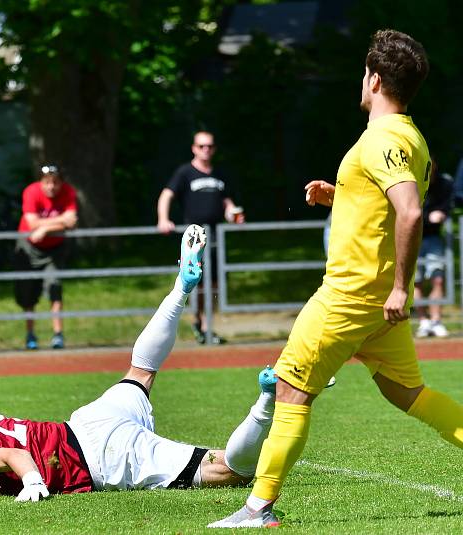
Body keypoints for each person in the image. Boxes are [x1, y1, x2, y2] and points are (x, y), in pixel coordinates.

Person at [210, 30, 463, 529]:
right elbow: (387, 206)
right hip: (375, 301)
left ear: (373, 78)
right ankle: (258, 506)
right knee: (405, 393)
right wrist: (340, 194)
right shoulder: (408, 135)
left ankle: (258, 509)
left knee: (289, 388)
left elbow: (409, 213)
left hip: (352, 294)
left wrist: (397, 288)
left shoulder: (384, 138)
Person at [0, 225, 277, 501]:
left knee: (229, 471)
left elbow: (12, 457)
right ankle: (180, 289)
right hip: (87, 421)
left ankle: (268, 398)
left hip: (98, 460)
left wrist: (34, 484)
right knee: (140, 371)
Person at [156, 130, 244, 344]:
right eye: (202, 146)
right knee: (197, 283)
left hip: (216, 238)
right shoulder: (185, 172)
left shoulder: (219, 174)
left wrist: (233, 214)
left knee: (214, 283)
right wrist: (163, 219)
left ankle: (206, 325)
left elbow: (226, 202)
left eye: (210, 146)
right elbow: (166, 194)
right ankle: (200, 323)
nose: (206, 150)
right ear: (194, 148)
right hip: (194, 239)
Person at [14, 165, 77, 350]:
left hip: (54, 249)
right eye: (47, 182)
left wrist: (45, 228)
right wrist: (60, 222)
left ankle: (58, 335)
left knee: (54, 287)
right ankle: (30, 335)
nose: (51, 187)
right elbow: (32, 223)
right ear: (41, 182)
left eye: (55, 182)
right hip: (29, 247)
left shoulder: (68, 192)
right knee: (28, 292)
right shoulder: (31, 192)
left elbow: (72, 220)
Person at [414, 158, 453, 338]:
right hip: (413, 238)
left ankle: (436, 321)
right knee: (416, 282)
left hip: (433, 238)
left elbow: (450, 204)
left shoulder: (444, 183)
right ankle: (424, 322)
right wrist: (429, 215)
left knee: (437, 279)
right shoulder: (412, 182)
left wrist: (443, 213)